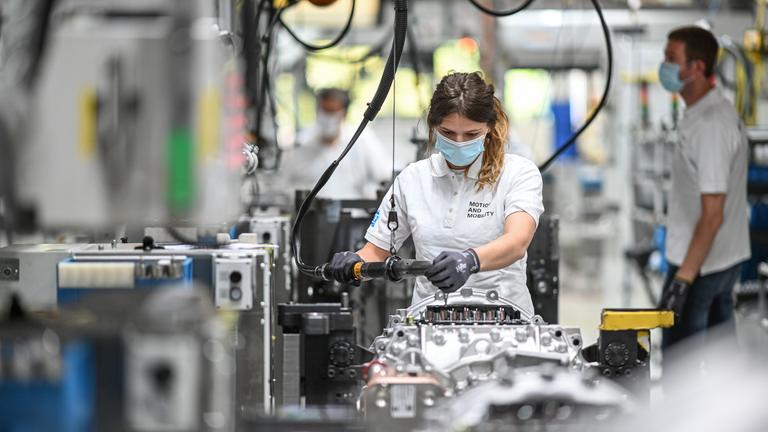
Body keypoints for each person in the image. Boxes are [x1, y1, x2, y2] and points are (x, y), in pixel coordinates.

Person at [327, 72, 544, 316]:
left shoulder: (518, 173)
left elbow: (516, 241)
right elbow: (376, 251)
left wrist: (470, 261)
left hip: (506, 318)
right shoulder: (412, 179)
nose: (459, 142)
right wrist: (354, 263)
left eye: (471, 134)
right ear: (433, 126)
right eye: (448, 133)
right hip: (429, 320)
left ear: (489, 128)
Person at [657, 26, 750, 349]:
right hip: (714, 260)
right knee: (719, 361)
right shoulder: (701, 113)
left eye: (671, 58)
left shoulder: (711, 125)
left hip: (700, 266)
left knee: (682, 363)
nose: (664, 66)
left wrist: (683, 279)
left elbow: (713, 214)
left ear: (696, 67)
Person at [279, 88, 389, 200]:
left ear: (344, 113)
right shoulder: (301, 144)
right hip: (309, 210)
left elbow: (384, 176)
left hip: (353, 209)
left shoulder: (362, 141)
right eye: (324, 110)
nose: (327, 117)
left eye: (332, 111)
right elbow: (283, 185)